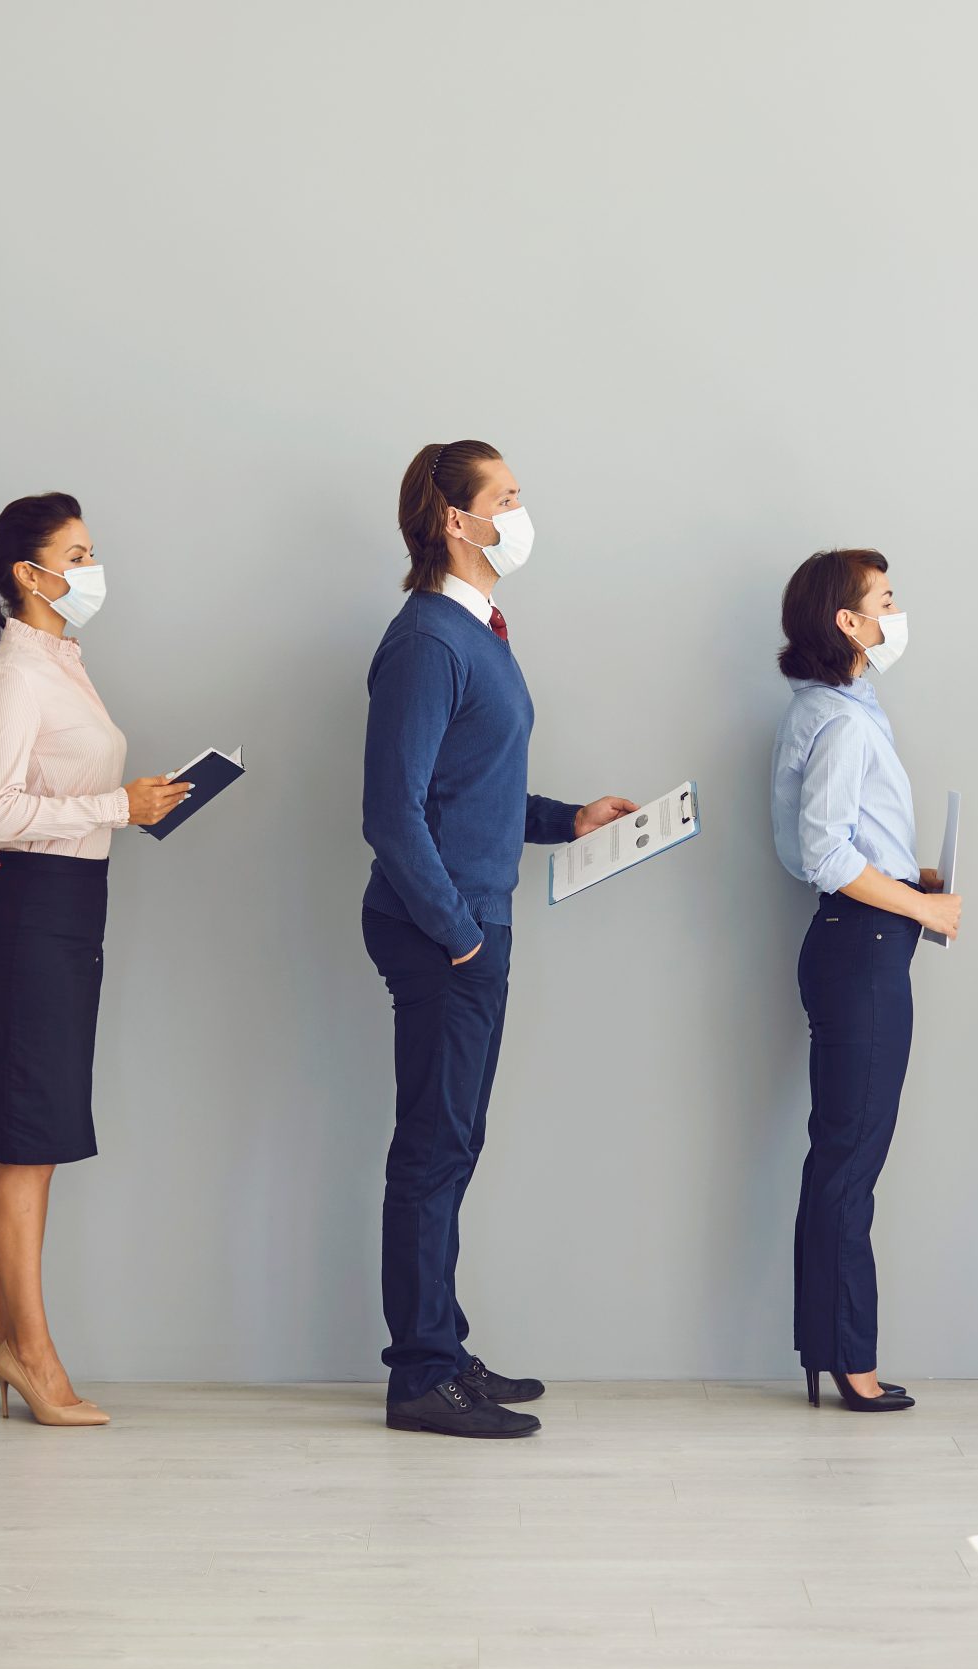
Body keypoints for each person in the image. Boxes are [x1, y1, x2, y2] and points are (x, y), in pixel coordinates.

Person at [360, 440, 636, 1439]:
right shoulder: (428, 642)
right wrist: (458, 934)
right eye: (507, 498)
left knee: (453, 1142)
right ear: (455, 523)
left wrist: (568, 820)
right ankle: (419, 1377)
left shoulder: (478, 633)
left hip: (473, 920)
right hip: (445, 930)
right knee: (432, 1149)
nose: (522, 514)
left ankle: (442, 1348)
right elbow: (392, 815)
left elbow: (466, 792)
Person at [0, 492, 190, 1428]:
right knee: (27, 1148)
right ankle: (30, 1354)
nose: (93, 570)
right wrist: (115, 808)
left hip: (71, 915)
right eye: (78, 553)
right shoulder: (14, 674)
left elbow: (76, 794)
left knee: (42, 1147)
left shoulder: (63, 664)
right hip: (29, 920)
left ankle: (10, 1340)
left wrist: (137, 804)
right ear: (30, 572)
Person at [769, 549, 963, 1414]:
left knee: (838, 1158)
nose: (897, 611)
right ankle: (852, 1362)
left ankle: (830, 1348)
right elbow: (821, 854)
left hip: (855, 939)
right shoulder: (843, 722)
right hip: (866, 952)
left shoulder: (830, 708)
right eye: (886, 600)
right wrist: (926, 911)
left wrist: (907, 875)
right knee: (851, 1164)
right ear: (848, 623)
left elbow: (844, 842)